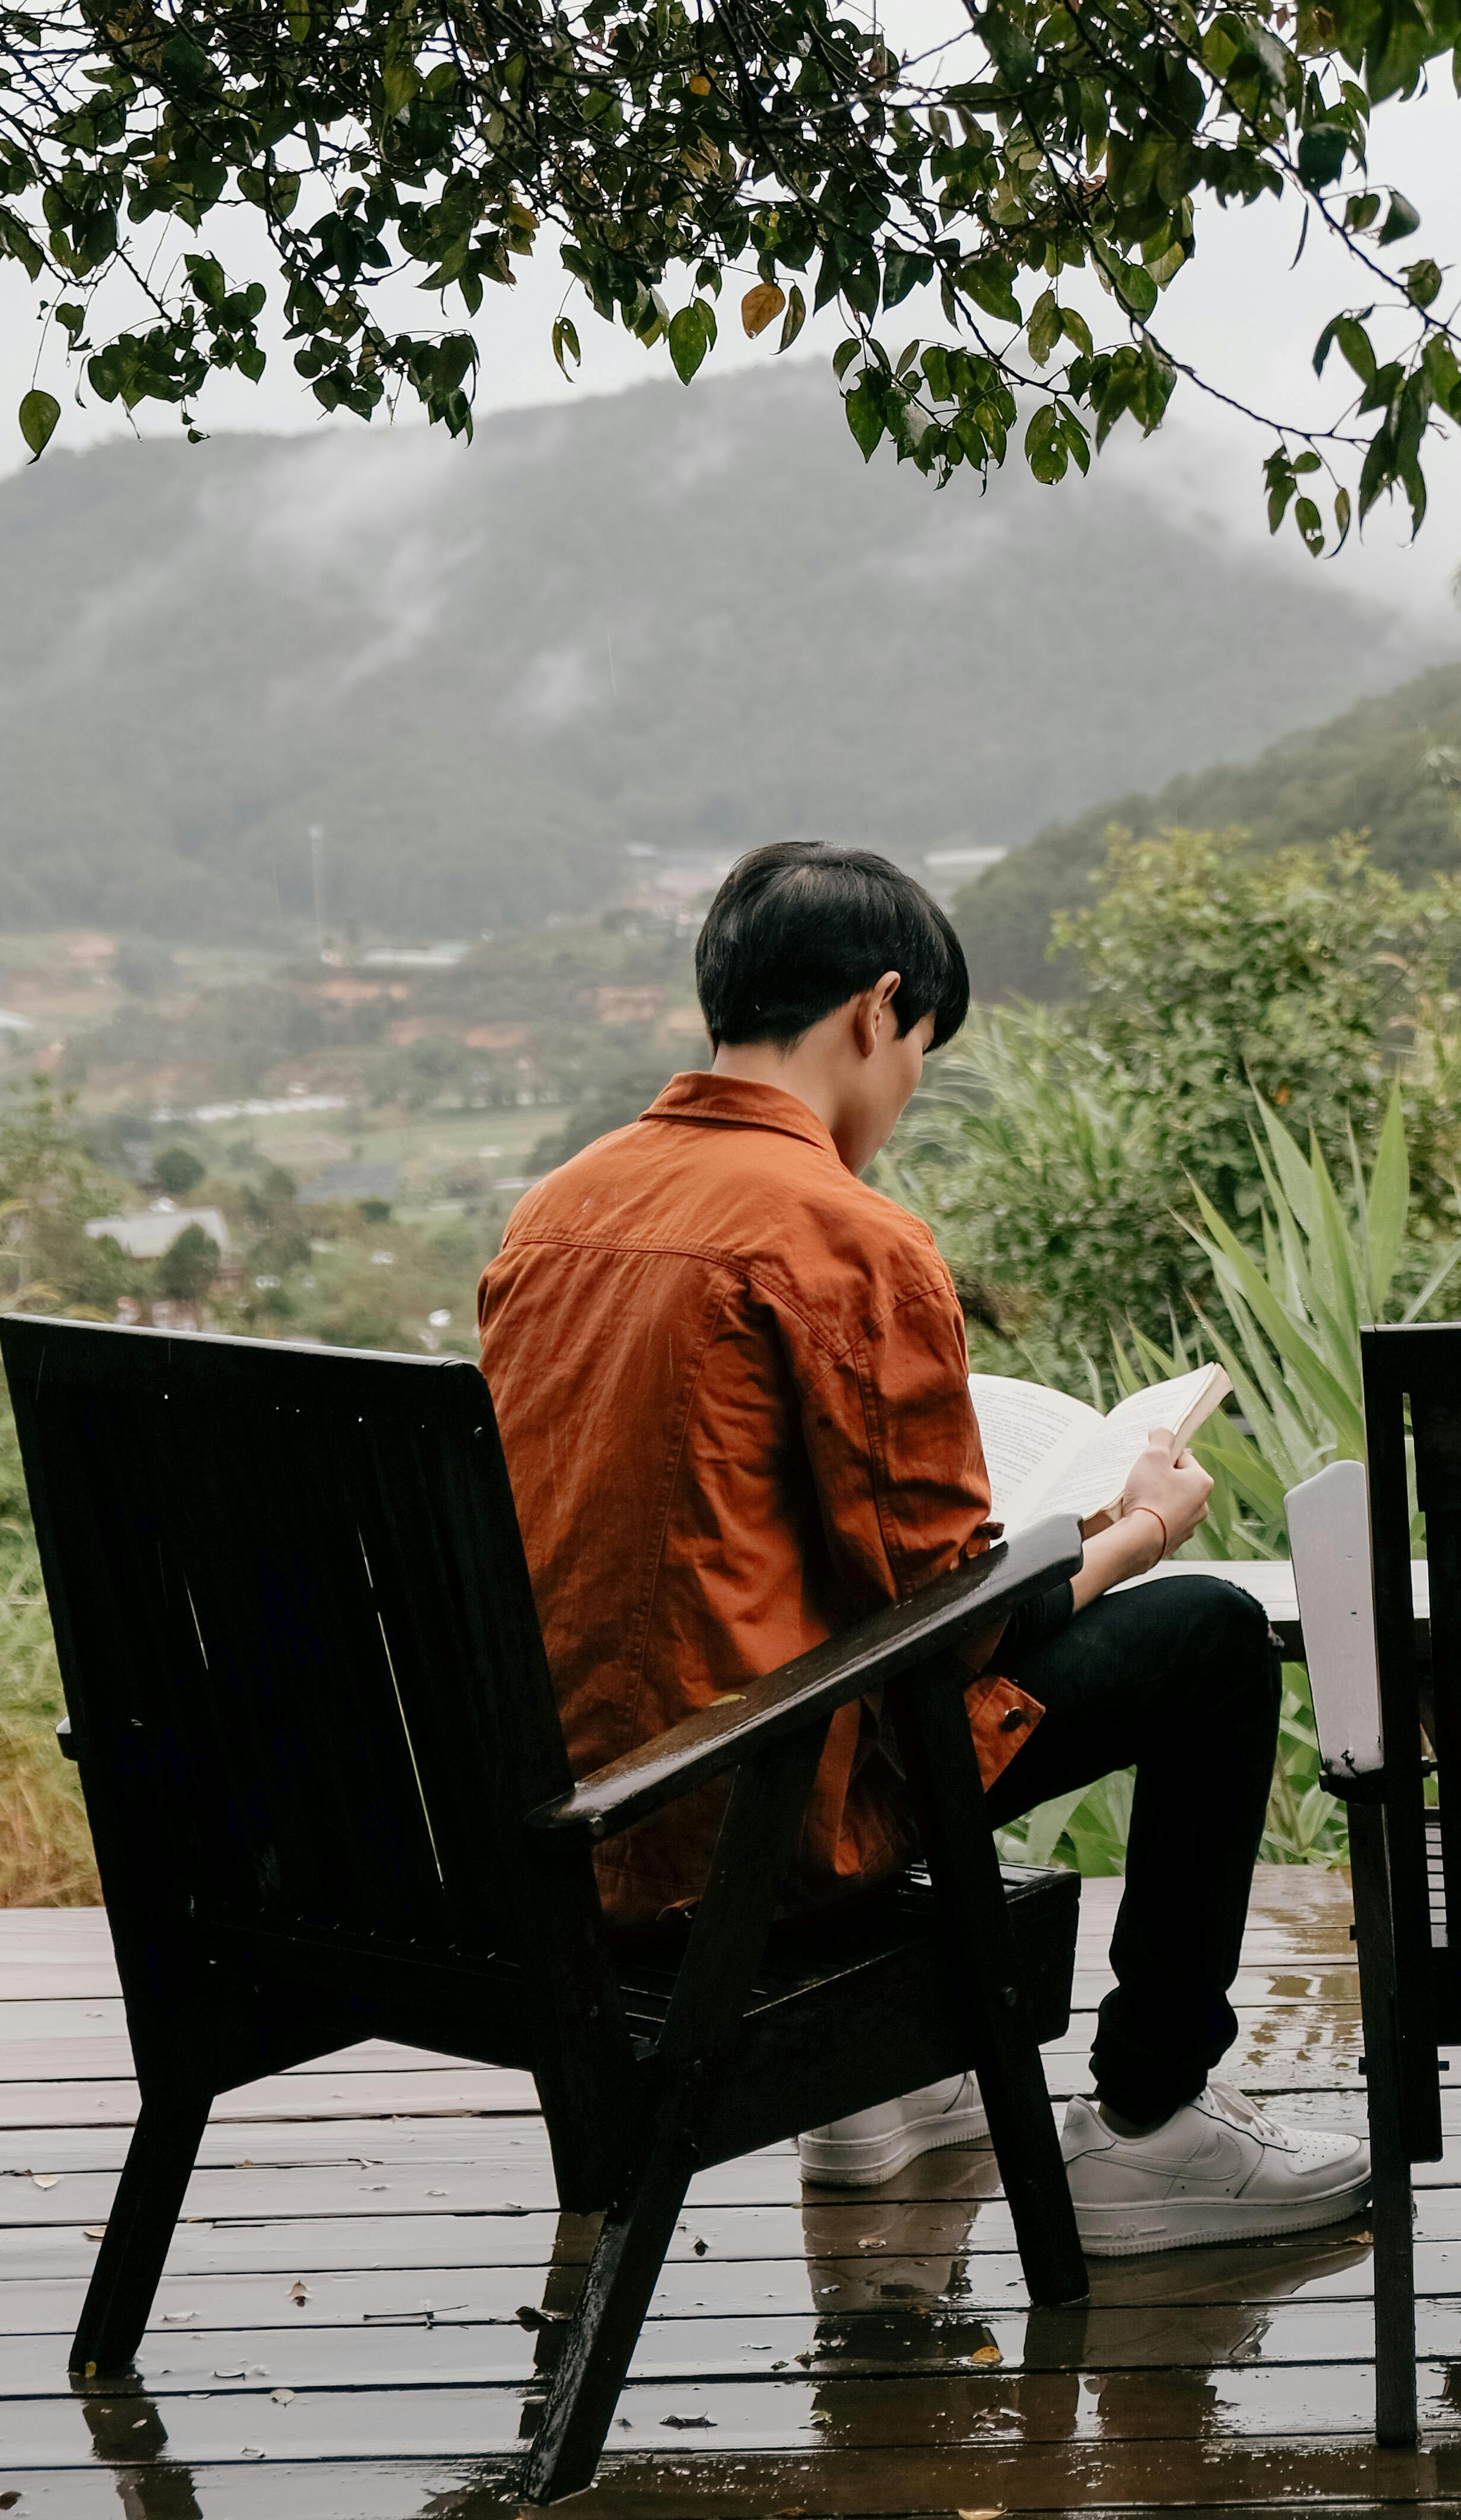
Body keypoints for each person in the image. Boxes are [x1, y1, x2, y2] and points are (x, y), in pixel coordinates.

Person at [477, 836, 1367, 2254]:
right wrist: (1130, 1527)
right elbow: (953, 1626)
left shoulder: (556, 1211)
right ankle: (1151, 2129)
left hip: (564, 1817)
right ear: (878, 1009)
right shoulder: (843, 1231)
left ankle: (887, 2094)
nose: (899, 1096)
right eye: (920, 1057)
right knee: (1204, 1639)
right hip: (741, 1830)